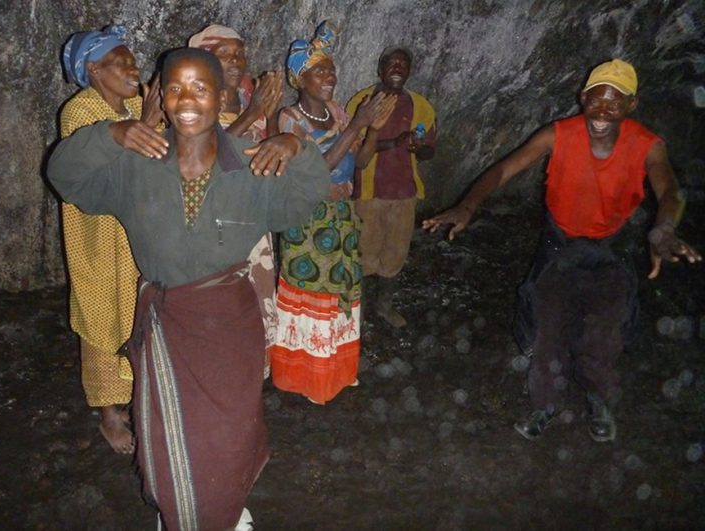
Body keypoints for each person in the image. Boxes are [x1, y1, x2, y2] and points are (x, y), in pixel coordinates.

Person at [48, 47, 330, 531]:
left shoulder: (251, 164)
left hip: (228, 325)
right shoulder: (137, 163)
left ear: (222, 96)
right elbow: (64, 176)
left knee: (228, 434)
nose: (186, 100)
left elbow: (303, 202)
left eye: (201, 87)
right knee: (167, 433)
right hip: (167, 324)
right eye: (175, 87)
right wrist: (111, 133)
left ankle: (225, 511)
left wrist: (296, 147)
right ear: (160, 93)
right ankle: (178, 515)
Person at [423, 59, 701, 442]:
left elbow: (669, 189)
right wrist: (468, 205)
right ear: (582, 97)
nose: (603, 111)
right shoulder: (557, 135)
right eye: (596, 100)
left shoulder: (646, 145)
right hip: (561, 245)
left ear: (631, 105)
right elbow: (504, 170)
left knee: (602, 332)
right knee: (548, 325)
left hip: (611, 248)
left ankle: (598, 401)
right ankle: (545, 404)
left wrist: (664, 229)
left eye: (614, 102)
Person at [269, 21, 396, 405]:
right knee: (310, 292)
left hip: (341, 214)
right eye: (320, 71)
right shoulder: (289, 119)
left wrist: (372, 128)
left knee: (340, 287)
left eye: (332, 70)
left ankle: (336, 369)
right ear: (300, 78)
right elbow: (316, 169)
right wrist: (358, 123)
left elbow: (357, 159)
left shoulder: (338, 112)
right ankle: (304, 376)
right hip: (308, 218)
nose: (330, 77)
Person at [59, 24, 164, 454]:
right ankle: (108, 414)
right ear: (93, 70)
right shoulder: (80, 111)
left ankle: (138, 400)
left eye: (130, 58)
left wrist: (153, 119)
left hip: (137, 228)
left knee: (138, 312)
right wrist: (145, 123)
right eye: (118, 62)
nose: (131, 66)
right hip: (100, 233)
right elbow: (98, 174)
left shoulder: (137, 105)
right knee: (102, 313)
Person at [188, 24, 285, 378]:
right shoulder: (190, 102)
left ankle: (245, 382)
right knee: (216, 310)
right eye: (224, 54)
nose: (236, 61)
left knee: (254, 307)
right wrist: (251, 113)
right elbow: (201, 162)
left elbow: (272, 156)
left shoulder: (249, 101)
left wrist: (269, 111)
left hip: (251, 224)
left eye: (239, 54)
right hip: (212, 229)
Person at [346, 46, 437, 328]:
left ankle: (384, 306)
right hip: (369, 192)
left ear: (409, 71)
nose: (397, 68)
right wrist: (395, 142)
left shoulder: (421, 106)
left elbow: (429, 151)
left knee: (395, 252)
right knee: (363, 252)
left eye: (403, 64)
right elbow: (352, 148)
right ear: (380, 69)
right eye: (392, 63)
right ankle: (355, 311)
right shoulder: (362, 101)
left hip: (405, 192)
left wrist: (419, 147)